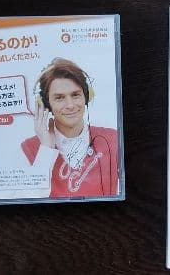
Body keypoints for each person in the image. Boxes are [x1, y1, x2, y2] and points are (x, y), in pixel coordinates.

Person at [21, 58, 118, 197]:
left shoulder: (114, 139)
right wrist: (46, 150)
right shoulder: (27, 149)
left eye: (75, 95)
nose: (70, 105)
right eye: (59, 98)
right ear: (46, 104)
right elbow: (27, 201)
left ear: (87, 96)